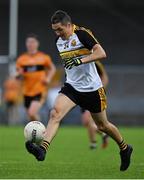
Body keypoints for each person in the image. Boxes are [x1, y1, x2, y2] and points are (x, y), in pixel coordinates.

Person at [25, 10, 133, 171]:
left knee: (102, 126)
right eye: (55, 30)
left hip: (92, 89)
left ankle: (125, 148)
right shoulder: (58, 41)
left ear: (69, 25)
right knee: (55, 113)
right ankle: (42, 149)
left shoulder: (82, 34)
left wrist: (80, 59)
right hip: (72, 87)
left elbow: (101, 53)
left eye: (60, 29)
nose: (57, 33)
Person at [16, 34, 56, 121]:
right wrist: (19, 75)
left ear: (37, 44)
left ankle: (40, 130)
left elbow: (52, 68)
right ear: (26, 44)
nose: (30, 44)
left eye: (32, 42)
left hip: (39, 90)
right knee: (30, 116)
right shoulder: (21, 59)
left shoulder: (44, 57)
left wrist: (48, 78)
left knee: (32, 113)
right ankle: (38, 131)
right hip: (26, 91)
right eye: (28, 42)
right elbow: (18, 76)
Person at [81, 61, 109, 149]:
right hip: (82, 93)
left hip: (93, 93)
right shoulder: (80, 59)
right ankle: (103, 134)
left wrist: (101, 89)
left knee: (88, 119)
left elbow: (104, 77)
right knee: (86, 122)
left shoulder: (95, 62)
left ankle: (93, 143)